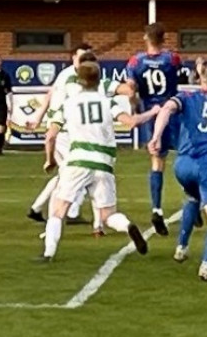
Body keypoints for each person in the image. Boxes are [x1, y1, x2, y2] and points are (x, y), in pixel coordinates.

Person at [39, 62, 159, 262]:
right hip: (104, 163)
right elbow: (131, 122)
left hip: (78, 160)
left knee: (58, 210)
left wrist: (50, 160)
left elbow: (50, 136)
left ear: (79, 80)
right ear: (99, 79)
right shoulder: (107, 102)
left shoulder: (68, 104)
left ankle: (48, 252)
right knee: (107, 215)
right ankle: (128, 225)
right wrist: (153, 112)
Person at [26, 46, 133, 234]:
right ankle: (76, 220)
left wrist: (39, 117)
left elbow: (51, 94)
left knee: (70, 175)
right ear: (74, 58)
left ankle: (43, 212)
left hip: (66, 129)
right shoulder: (75, 79)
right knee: (83, 173)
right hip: (68, 132)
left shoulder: (69, 75)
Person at [149, 63, 207, 282]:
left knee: (192, 197)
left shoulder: (186, 97)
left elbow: (166, 109)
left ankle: (182, 246)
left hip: (182, 164)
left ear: (199, 80)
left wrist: (157, 136)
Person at [126, 22, 183, 236]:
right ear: (164, 38)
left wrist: (135, 106)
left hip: (151, 111)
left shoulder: (135, 61)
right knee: (186, 154)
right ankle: (191, 198)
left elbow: (131, 90)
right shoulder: (172, 59)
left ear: (145, 38)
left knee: (157, 162)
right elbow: (178, 70)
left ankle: (157, 208)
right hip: (172, 110)